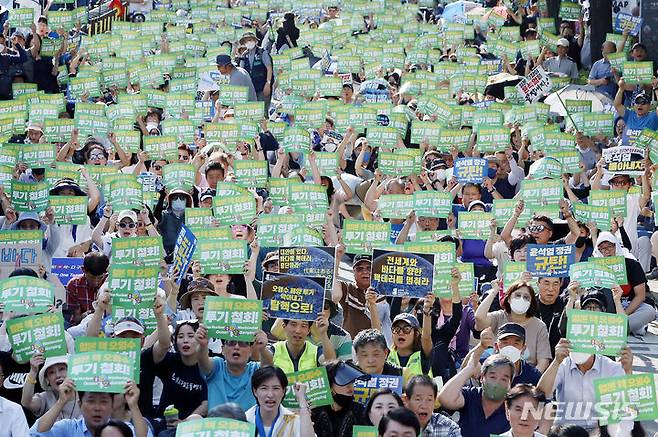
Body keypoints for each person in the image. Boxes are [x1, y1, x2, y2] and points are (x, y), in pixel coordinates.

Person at [475, 281, 552, 372]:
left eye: (526, 297)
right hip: (497, 373)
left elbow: (543, 361)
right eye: (517, 295)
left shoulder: (539, 326)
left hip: (525, 378)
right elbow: (479, 318)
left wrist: (532, 380)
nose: (521, 299)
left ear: (531, 302)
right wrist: (494, 291)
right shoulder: (499, 317)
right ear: (509, 299)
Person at [29, 381, 148, 437]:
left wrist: (134, 405)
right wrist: (61, 401)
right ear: (80, 404)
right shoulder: (69, 428)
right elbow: (36, 433)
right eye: (91, 401)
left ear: (112, 406)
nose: (97, 408)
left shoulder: (120, 430)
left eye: (103, 401)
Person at [195, 323, 268, 411]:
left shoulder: (254, 370)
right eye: (231, 343)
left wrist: (263, 349)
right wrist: (202, 345)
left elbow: (268, 367)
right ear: (222, 349)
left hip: (247, 424)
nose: (236, 347)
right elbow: (202, 360)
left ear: (250, 351)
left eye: (242, 343)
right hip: (215, 423)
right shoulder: (217, 366)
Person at [438, 354, 515, 437]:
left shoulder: (514, 408)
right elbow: (445, 398)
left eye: (504, 379)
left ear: (510, 383)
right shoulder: (472, 395)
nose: (497, 383)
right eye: (492, 377)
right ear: (482, 378)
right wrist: (469, 369)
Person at [245, 366, 314, 437]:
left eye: (276, 388)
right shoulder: (244, 420)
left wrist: (302, 400)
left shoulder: (294, 420)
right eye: (264, 388)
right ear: (255, 391)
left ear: (283, 391)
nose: (270, 394)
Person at [311, 360, 370, 437]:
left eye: (352, 381)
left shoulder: (359, 409)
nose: (349, 386)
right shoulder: (315, 410)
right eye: (342, 380)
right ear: (330, 384)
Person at [21, 354, 82, 420]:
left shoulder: (84, 395)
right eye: (51, 372)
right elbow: (26, 402)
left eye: (62, 369)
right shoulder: (46, 397)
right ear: (47, 379)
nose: (58, 375)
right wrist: (33, 371)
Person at [66, 252, 109, 325]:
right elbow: (76, 318)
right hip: (83, 326)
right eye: (91, 277)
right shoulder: (74, 285)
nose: (95, 282)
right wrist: (86, 316)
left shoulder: (110, 284)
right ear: (83, 270)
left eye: (100, 278)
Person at [237, 32, 273, 103]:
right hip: (250, 89)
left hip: (262, 87)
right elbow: (241, 71)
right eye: (246, 41)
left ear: (255, 41)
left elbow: (269, 68)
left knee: (263, 110)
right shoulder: (244, 55)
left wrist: (268, 83)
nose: (249, 42)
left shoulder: (262, 52)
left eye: (250, 40)